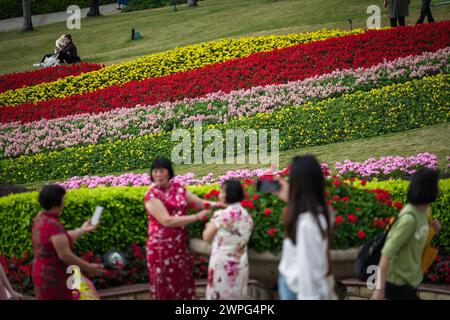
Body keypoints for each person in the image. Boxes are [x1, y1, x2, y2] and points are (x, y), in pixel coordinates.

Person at [144, 157, 223, 300]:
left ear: (169, 172)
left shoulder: (178, 189)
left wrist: (219, 205)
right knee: (165, 287)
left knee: (182, 284)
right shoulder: (151, 195)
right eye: (155, 171)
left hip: (179, 246)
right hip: (160, 249)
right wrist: (197, 217)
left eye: (162, 171)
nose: (158, 175)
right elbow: (167, 221)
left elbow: (199, 203)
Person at [371, 168, 441, 300]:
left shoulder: (425, 213)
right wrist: (379, 291)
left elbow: (418, 239)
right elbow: (386, 254)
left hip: (410, 281)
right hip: (396, 284)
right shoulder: (408, 219)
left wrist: (434, 230)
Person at [274, 155, 336, 300]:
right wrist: (291, 198)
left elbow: (307, 270)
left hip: (296, 288)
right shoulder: (325, 212)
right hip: (302, 284)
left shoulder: (306, 223)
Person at [32, 184, 104, 300]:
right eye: (63, 199)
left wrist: (82, 230)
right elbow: (65, 255)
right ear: (58, 201)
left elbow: (60, 239)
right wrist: (89, 268)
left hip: (42, 273)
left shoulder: (41, 217)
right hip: (53, 277)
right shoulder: (53, 224)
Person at [203, 180, 254, 300]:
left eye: (221, 192)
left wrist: (207, 226)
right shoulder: (247, 215)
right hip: (240, 265)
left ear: (228, 194)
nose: (219, 195)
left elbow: (206, 237)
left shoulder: (221, 215)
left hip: (222, 265)